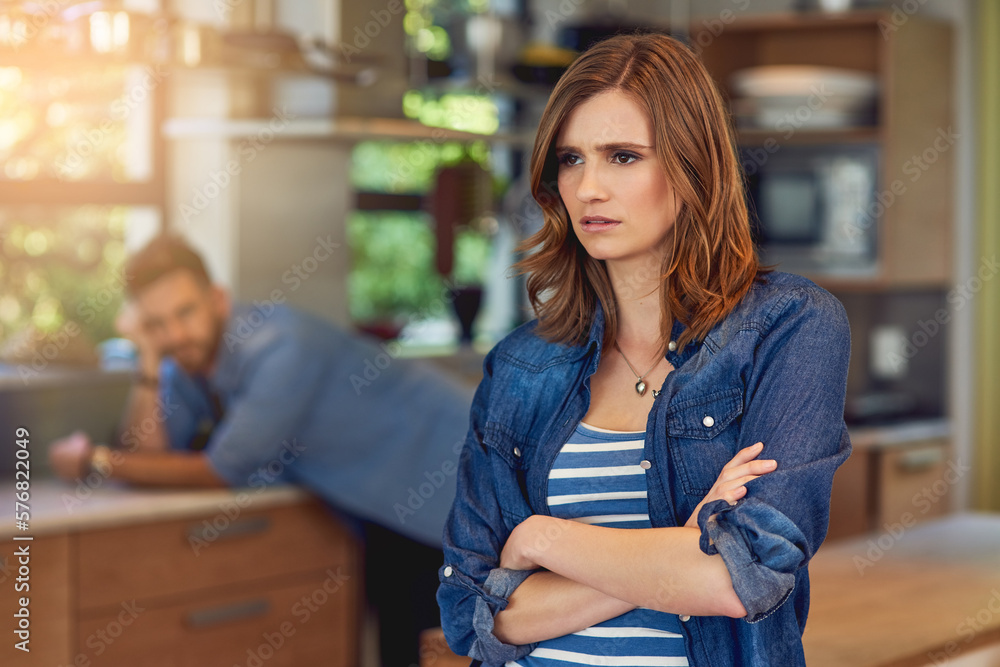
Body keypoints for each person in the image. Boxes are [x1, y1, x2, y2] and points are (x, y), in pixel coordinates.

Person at [436, 32, 852, 667]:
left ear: (691, 168)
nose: (589, 188)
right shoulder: (522, 366)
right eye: (571, 159)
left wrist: (543, 540)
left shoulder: (789, 327)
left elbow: (744, 581)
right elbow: (472, 618)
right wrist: (681, 547)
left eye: (623, 157)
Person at [48, 234, 473, 667]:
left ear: (217, 300)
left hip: (453, 480)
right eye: (157, 325)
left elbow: (218, 471)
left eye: (185, 312)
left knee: (444, 650)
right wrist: (149, 359)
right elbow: (151, 452)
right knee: (403, 645)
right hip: (382, 505)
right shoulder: (187, 364)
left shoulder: (280, 346)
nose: (175, 333)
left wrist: (94, 461)